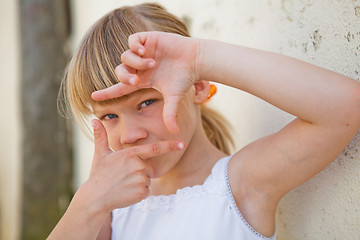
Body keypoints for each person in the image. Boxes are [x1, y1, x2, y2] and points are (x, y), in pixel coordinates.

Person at [49, 3, 360, 240]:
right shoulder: (110, 210)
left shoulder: (239, 186)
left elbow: (345, 107)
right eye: (110, 116)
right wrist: (89, 200)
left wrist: (200, 59)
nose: (129, 135)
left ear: (196, 86)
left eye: (146, 102)